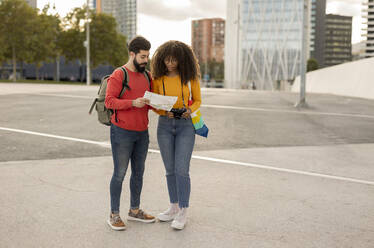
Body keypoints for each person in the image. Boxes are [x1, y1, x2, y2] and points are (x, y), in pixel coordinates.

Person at [105, 36, 155, 231]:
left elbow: (149, 102)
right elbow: (109, 102)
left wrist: (158, 104)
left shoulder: (147, 76)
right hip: (122, 132)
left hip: (142, 133)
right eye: (143, 56)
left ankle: (134, 211)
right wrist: (132, 103)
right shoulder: (119, 74)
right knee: (119, 173)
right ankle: (113, 214)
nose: (146, 60)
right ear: (132, 54)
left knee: (139, 173)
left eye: (147, 56)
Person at [150, 40, 201, 230]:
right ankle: (173, 206)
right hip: (164, 125)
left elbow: (198, 100)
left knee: (181, 170)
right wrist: (164, 112)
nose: (170, 64)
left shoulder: (190, 78)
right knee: (170, 169)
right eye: (166, 60)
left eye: (174, 60)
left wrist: (189, 109)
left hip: (185, 126)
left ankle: (183, 210)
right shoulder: (158, 79)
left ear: (181, 60)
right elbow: (153, 103)